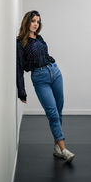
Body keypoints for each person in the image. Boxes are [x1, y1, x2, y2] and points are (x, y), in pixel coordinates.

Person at [16, 10, 75, 162]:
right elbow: (19, 68)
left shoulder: (39, 38)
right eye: (33, 21)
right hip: (39, 78)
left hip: (55, 73)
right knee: (52, 113)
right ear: (27, 22)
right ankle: (64, 149)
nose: (36, 24)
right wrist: (21, 91)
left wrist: (52, 62)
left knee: (59, 110)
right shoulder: (20, 43)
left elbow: (45, 54)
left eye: (38, 21)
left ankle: (56, 148)